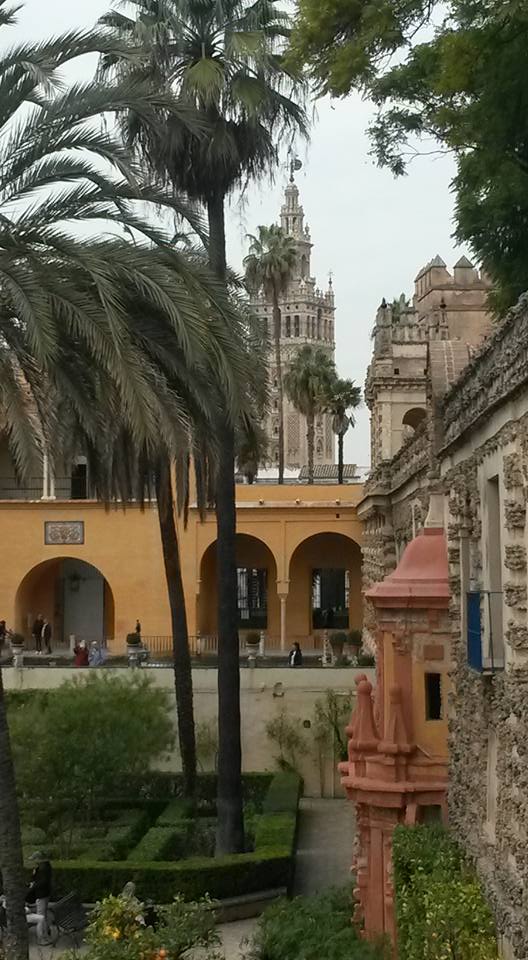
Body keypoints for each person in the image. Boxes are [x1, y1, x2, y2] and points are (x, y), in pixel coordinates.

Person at [26, 852, 52, 944]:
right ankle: (45, 936)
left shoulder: (42, 869)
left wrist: (33, 886)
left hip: (41, 895)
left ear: (38, 859)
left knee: (40, 916)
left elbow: (41, 882)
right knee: (43, 915)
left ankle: (41, 938)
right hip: (44, 894)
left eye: (34, 859)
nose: (34, 861)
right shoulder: (44, 867)